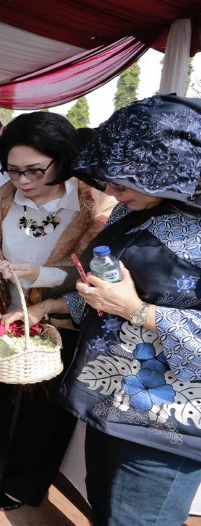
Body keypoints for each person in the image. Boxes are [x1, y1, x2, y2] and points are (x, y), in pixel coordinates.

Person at [45, 95, 201, 525]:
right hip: (109, 399)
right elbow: (109, 289)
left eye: (122, 183)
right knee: (105, 509)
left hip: (166, 425)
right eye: (106, 181)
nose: (110, 193)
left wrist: (137, 310)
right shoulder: (128, 212)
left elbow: (128, 302)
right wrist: (54, 304)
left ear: (167, 169)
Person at [0, 112, 113, 512]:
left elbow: (93, 275)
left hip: (61, 318)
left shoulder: (96, 206)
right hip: (7, 309)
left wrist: (41, 274)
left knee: (46, 407)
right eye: (12, 170)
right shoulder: (0, 200)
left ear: (63, 159)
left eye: (35, 171)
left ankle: (24, 482)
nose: (22, 182)